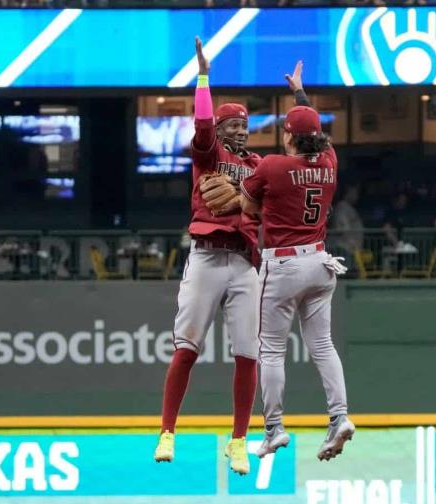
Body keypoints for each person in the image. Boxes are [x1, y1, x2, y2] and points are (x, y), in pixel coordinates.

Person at [154, 38, 310, 476]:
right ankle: (168, 430)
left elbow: (302, 156)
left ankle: (239, 440)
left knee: (248, 354)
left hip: (244, 262)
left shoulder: (260, 164)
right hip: (205, 257)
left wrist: (300, 100)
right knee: (186, 348)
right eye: (232, 125)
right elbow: (202, 123)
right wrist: (203, 76)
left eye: (244, 125)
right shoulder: (209, 154)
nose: (240, 131)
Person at [239, 63, 354, 463]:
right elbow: (315, 136)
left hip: (284, 264)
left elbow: (247, 206)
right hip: (321, 263)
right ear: (318, 136)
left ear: (287, 134)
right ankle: (339, 416)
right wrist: (301, 95)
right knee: (322, 345)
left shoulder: (271, 165)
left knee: (270, 350)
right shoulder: (329, 163)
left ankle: (274, 429)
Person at [330, 184, 364, 260]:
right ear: (348, 193)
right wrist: (351, 242)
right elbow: (343, 227)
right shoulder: (342, 207)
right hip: (343, 248)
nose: (356, 196)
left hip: (349, 249)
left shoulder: (348, 207)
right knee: (346, 271)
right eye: (354, 193)